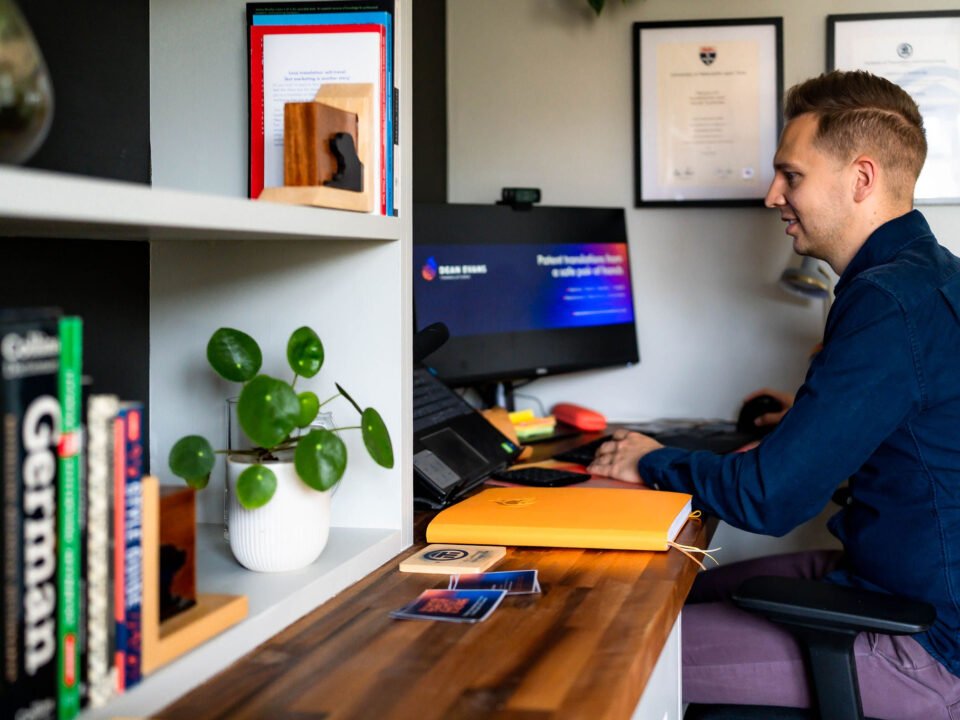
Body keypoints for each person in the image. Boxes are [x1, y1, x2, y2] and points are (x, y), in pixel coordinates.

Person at [588, 69, 960, 718]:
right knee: (683, 593)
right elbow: (922, 421)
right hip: (891, 584)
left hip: (922, 641)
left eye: (792, 176)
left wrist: (647, 459)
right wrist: (812, 420)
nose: (771, 196)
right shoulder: (932, 276)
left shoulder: (887, 300)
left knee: (610, 642)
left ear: (861, 179)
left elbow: (770, 498)